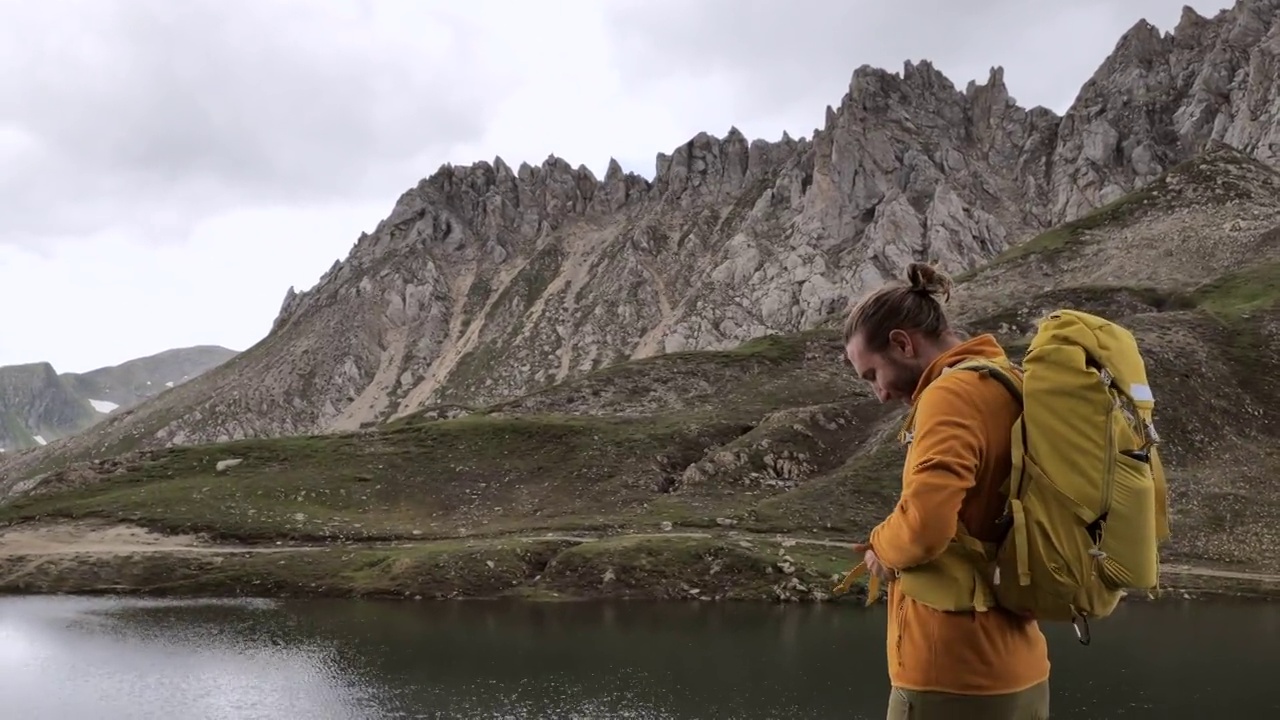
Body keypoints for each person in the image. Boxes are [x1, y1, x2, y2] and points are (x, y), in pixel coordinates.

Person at [842, 262, 1051, 720]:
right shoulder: (1007, 380)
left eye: (872, 374)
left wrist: (880, 545)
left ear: (902, 342)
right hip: (1021, 667)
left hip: (950, 675)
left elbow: (925, 527)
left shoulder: (950, 394)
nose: (878, 394)